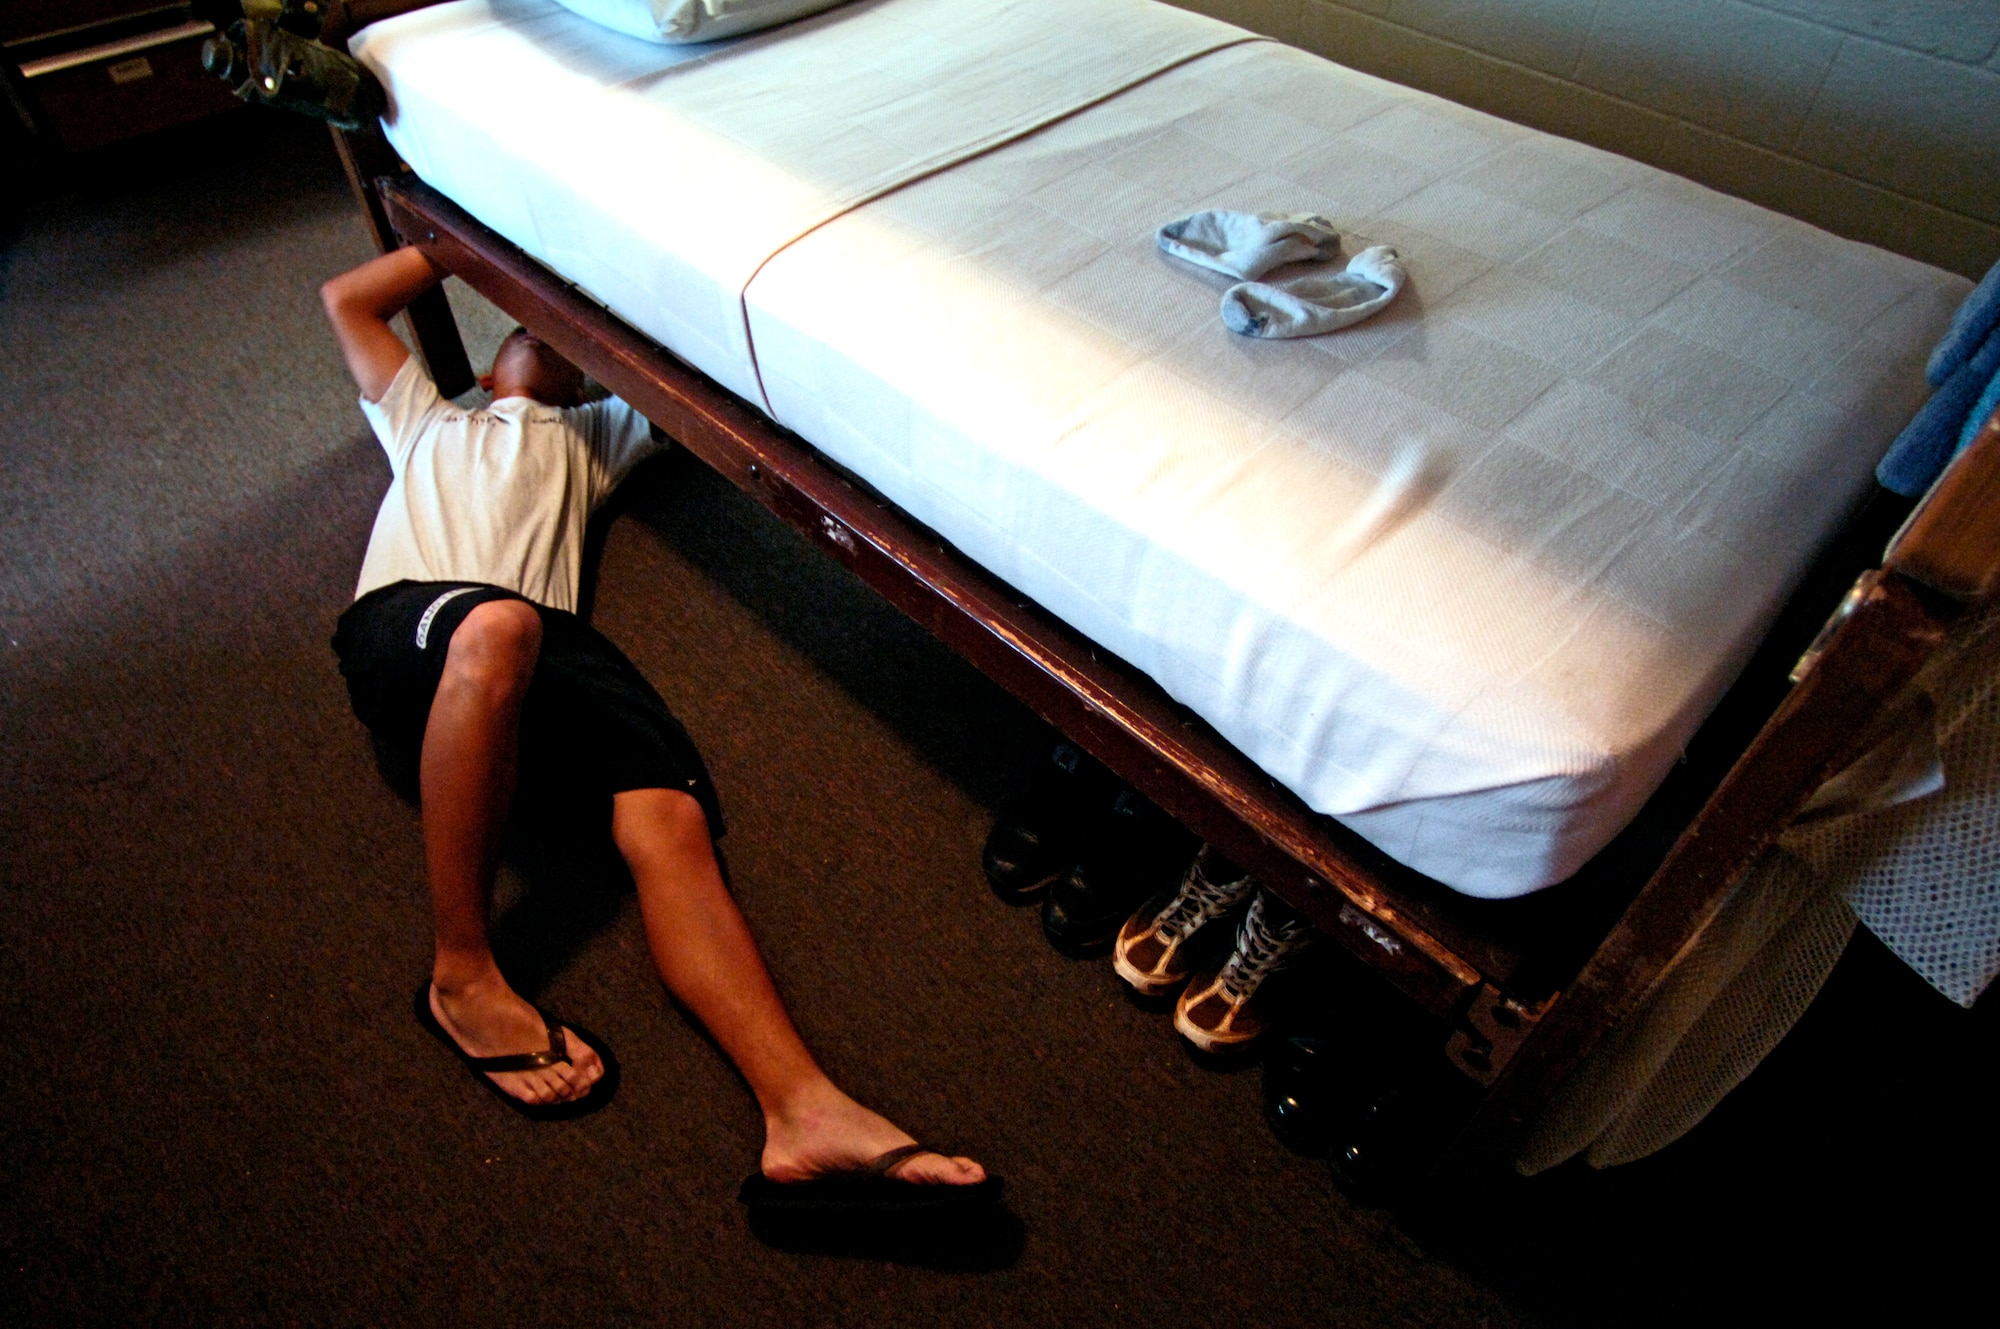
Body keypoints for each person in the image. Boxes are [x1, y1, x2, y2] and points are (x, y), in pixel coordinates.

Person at [321, 245, 986, 1196]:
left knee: (668, 815)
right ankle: (461, 971)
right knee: (495, 625)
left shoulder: (599, 432)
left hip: (548, 651)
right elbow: (346, 300)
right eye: (517, 322)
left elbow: (709, 379)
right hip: (414, 620)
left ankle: (801, 1106)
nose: (532, 332)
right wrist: (482, 244)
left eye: (557, 336)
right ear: (484, 360)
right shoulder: (425, 420)